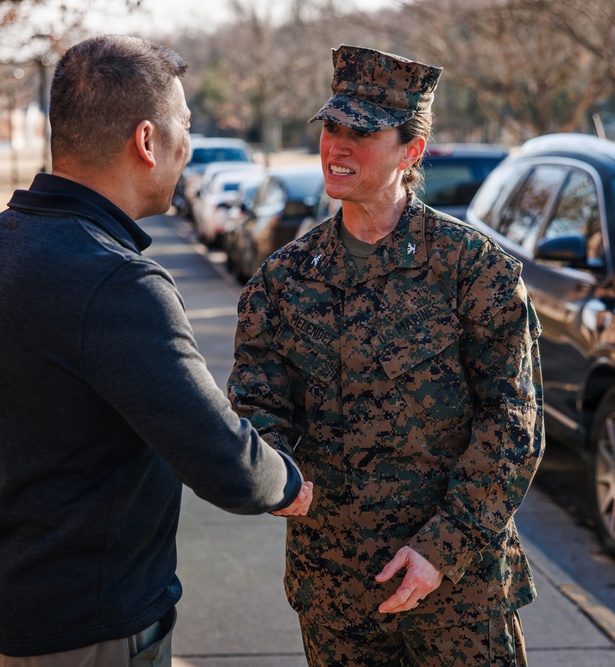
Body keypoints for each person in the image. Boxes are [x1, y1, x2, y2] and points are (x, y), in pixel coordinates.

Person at [0, 35, 312, 667]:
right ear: (147, 141)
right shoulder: (117, 283)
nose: (187, 147)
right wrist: (294, 485)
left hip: (2, 602)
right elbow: (224, 460)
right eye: (184, 127)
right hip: (89, 625)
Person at [227, 45, 544, 667]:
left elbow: (514, 426)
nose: (337, 148)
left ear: (411, 151)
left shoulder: (473, 270)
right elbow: (257, 407)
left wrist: (441, 548)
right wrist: (276, 477)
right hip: (336, 590)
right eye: (331, 129)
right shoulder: (284, 279)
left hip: (459, 591)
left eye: (362, 133)